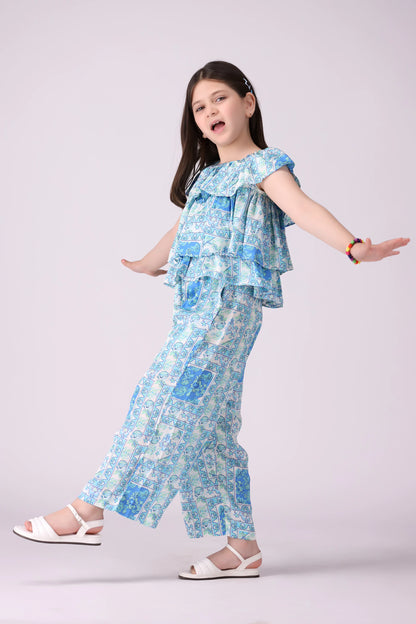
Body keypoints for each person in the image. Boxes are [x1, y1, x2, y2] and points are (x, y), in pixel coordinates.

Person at [13, 60, 410, 581]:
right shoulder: (206, 177)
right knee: (213, 429)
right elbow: (181, 231)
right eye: (199, 107)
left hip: (227, 305)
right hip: (196, 306)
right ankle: (242, 548)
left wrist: (354, 247)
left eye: (219, 98)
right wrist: (146, 263)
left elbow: (303, 208)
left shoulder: (264, 165)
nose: (209, 111)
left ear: (248, 102)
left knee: (162, 393)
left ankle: (90, 509)